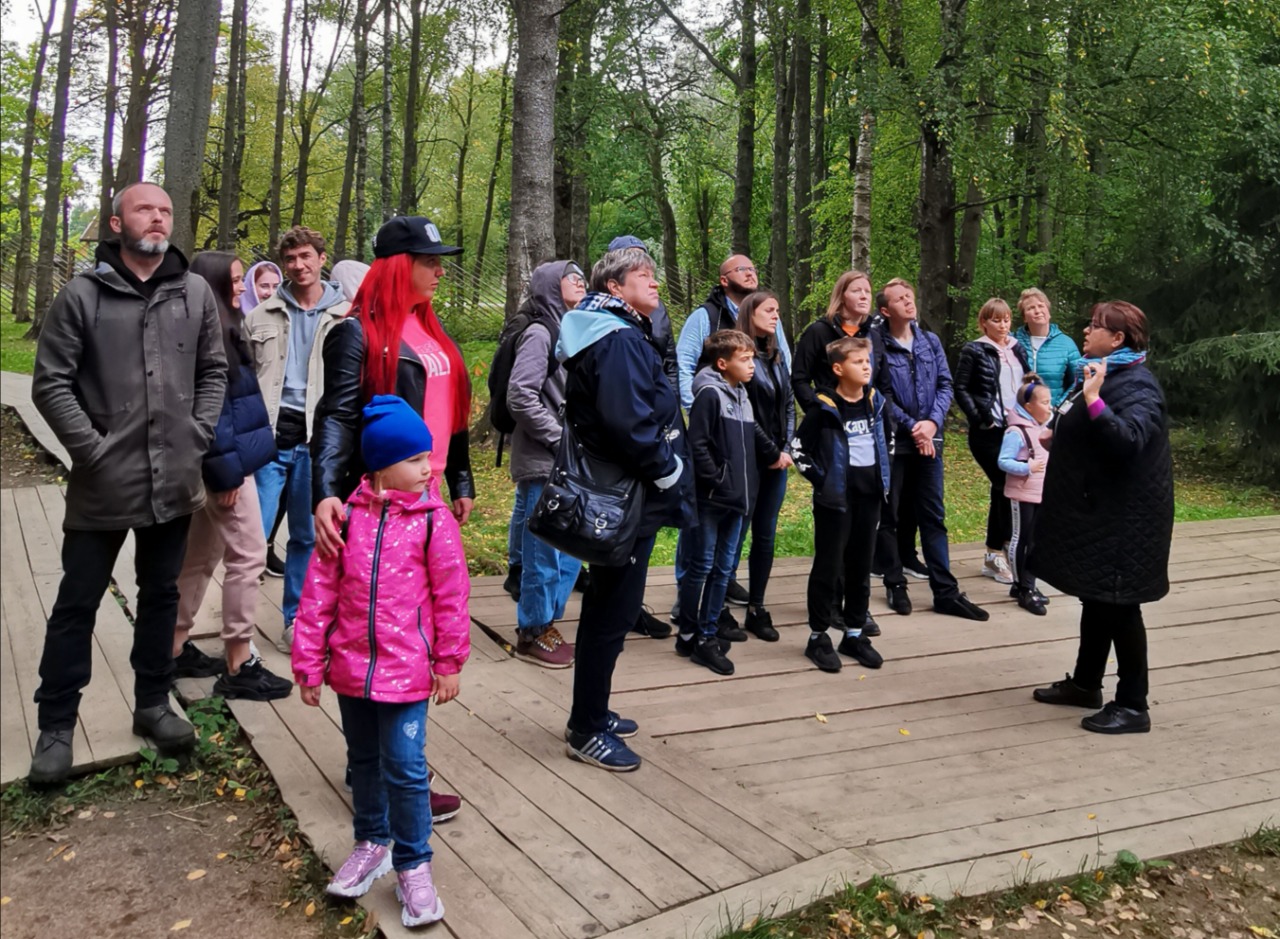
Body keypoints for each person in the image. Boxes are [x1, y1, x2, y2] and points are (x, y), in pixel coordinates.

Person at [28, 181, 227, 784]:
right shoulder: (82, 295)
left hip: (176, 484)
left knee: (160, 596)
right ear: (117, 222)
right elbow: (50, 382)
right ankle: (57, 725)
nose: (159, 218)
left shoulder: (193, 292)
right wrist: (89, 450)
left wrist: (197, 434)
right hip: (103, 485)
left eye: (166, 209)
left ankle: (151, 704)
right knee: (76, 604)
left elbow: (214, 369)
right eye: (145, 208)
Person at [292, 395, 469, 926]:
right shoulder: (347, 519)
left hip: (409, 671)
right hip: (350, 669)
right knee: (363, 763)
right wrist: (309, 662)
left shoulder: (434, 520)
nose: (427, 468)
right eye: (415, 459)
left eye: (428, 458)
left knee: (407, 768)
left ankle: (414, 864)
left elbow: (451, 595)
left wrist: (449, 660)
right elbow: (319, 592)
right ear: (381, 466)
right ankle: (372, 842)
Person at [556, 248, 695, 771]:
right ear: (615, 288)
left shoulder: (617, 332)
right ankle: (586, 728)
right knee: (611, 613)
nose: (655, 284)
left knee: (609, 610)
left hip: (629, 493)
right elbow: (628, 423)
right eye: (644, 276)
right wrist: (668, 469)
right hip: (627, 495)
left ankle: (593, 709)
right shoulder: (614, 340)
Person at [1031, 301, 1173, 735]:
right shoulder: (1100, 374)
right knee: (1097, 599)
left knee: (1120, 606)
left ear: (1118, 339)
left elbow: (1128, 441)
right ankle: (1086, 684)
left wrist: (1093, 401)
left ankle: (1133, 705)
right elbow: (1095, 432)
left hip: (1126, 520)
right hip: (1100, 514)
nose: (1087, 331)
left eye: (1096, 326)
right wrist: (1063, 438)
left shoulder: (1138, 385)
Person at [310, 214, 475, 563]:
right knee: (383, 602)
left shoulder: (433, 329)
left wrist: (461, 481)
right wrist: (326, 491)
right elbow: (337, 417)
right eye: (430, 262)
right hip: (380, 496)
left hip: (429, 490)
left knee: (431, 598)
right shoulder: (355, 333)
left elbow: (453, 409)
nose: (440, 272)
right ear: (401, 265)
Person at [171, 251, 292, 700]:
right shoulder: (211, 334)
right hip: (224, 467)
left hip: (220, 464)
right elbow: (213, 410)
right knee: (248, 557)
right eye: (236, 280)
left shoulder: (217, 325)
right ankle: (240, 659)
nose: (242, 287)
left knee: (200, 558)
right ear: (214, 283)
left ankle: (173, 645)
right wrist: (226, 474)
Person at [244, 227, 352, 653]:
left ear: (322, 258)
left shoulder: (346, 315)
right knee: (252, 537)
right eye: (290, 259)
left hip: (319, 437)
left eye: (306, 256)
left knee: (307, 537)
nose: (298, 266)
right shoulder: (261, 315)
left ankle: (296, 621)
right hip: (269, 436)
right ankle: (239, 631)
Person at [673, 255, 790, 614]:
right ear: (724, 280)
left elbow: (784, 369)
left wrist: (785, 441)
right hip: (723, 435)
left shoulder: (771, 326)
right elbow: (684, 363)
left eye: (754, 267)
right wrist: (701, 414)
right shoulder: (704, 317)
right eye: (742, 269)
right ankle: (688, 596)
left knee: (743, 524)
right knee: (705, 527)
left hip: (764, 444)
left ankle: (721, 590)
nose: (751, 271)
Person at [871, 278, 989, 621]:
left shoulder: (930, 341)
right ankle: (895, 583)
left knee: (933, 517)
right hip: (897, 441)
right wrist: (913, 427)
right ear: (884, 310)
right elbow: (879, 394)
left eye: (910, 296)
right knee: (889, 515)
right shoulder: (876, 344)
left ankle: (946, 592)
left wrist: (933, 424)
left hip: (930, 442)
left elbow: (945, 383)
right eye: (900, 299)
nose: (909, 302)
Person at [507, 260, 587, 667]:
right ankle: (532, 631)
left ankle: (546, 623)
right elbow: (520, 395)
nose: (581, 281)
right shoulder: (541, 332)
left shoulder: (571, 329)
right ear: (550, 285)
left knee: (570, 550)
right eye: (572, 276)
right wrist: (560, 440)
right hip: (544, 459)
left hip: (571, 460)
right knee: (544, 552)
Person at [792, 336, 888, 673]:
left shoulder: (876, 403)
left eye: (868, 361)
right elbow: (798, 449)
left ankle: (854, 633)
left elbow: (885, 441)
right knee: (829, 567)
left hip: (870, 497)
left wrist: (882, 479)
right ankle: (818, 637)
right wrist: (823, 480)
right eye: (858, 362)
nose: (866, 367)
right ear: (837, 368)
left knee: (861, 567)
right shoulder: (824, 407)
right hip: (835, 502)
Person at [677, 330, 760, 676]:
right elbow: (697, 445)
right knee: (702, 565)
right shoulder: (710, 395)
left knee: (724, 570)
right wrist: (718, 480)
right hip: (713, 499)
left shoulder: (742, 395)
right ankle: (690, 633)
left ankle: (706, 632)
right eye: (745, 359)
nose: (752, 365)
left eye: (753, 358)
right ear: (723, 363)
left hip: (738, 500)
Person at [954, 297, 1029, 586]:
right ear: (984, 322)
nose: (1003, 325)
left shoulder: (1016, 348)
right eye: (996, 319)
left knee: (1008, 489)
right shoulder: (974, 349)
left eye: (1007, 319)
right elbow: (960, 387)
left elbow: (1028, 382)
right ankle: (996, 551)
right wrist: (981, 418)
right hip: (988, 431)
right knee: (1003, 484)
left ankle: (1000, 550)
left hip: (1016, 430)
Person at [734, 291, 794, 642]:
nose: (775, 316)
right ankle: (715, 608)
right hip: (748, 459)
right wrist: (771, 450)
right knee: (735, 534)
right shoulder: (738, 354)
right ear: (749, 312)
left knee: (766, 536)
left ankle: (757, 606)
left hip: (777, 461)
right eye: (769, 310)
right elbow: (743, 408)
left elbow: (788, 404)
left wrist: (786, 447)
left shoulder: (776, 356)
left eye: (778, 310)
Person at [998, 373, 1053, 616]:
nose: (1049, 407)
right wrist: (1026, 468)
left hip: (1040, 493)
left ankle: (1027, 583)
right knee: (1021, 539)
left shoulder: (1043, 427)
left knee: (1036, 540)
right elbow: (1003, 461)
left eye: (1050, 402)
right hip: (1022, 495)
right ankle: (1022, 588)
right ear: (1028, 406)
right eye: (1044, 403)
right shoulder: (1016, 431)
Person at [1013, 288, 1080, 407]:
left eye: (1041, 306)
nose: (1037, 311)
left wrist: (1059, 407)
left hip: (1052, 416)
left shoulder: (1066, 344)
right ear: (1024, 317)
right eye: (1031, 308)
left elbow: (1078, 381)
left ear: (1048, 312)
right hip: (1017, 415)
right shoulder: (1012, 342)